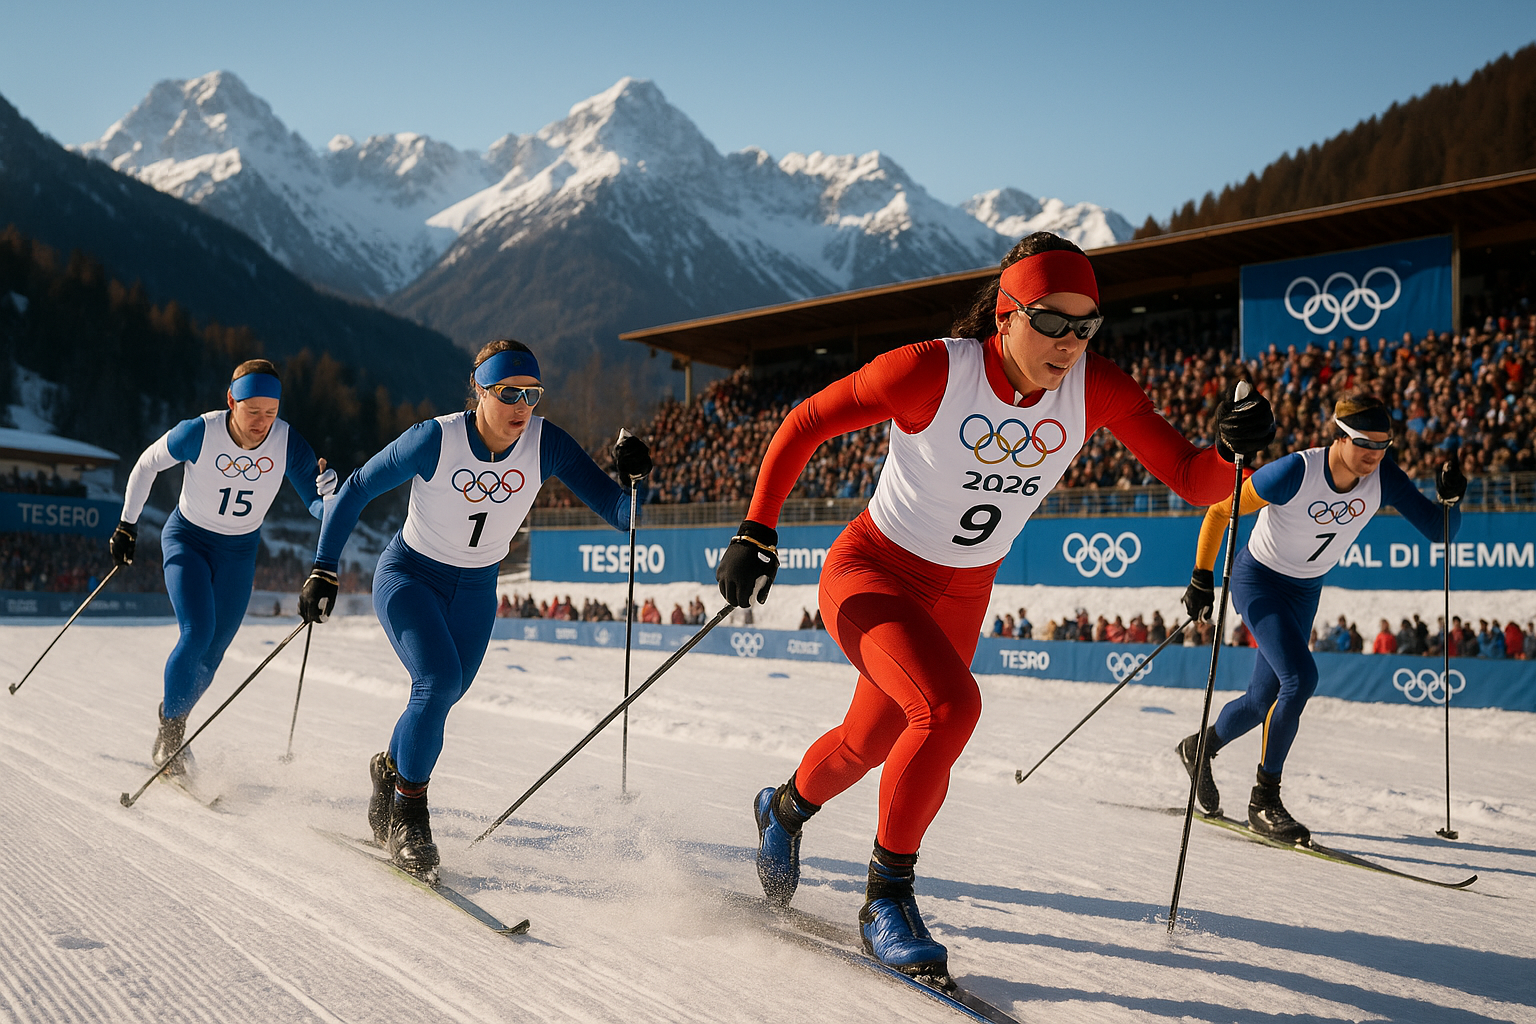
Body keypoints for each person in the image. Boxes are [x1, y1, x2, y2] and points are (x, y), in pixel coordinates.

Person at [716, 232, 1274, 978]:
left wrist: (1236, 449)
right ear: (1004, 315)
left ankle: (780, 810)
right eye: (1050, 320)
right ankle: (887, 897)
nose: (1069, 342)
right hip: (872, 572)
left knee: (868, 740)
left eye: (1085, 325)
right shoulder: (930, 370)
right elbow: (806, 421)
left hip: (963, 592)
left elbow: (1194, 479)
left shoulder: (1095, 386)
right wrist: (757, 530)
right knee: (947, 710)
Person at [297, 339, 650, 880]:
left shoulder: (544, 443)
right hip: (410, 576)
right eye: (509, 393)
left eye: (533, 395)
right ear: (480, 389)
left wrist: (636, 478)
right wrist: (324, 567)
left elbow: (621, 514)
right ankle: (411, 814)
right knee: (435, 684)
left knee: (444, 694)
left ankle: (389, 770)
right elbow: (357, 489)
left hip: (478, 590)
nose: (522, 407)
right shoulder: (434, 440)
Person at [1176, 394, 1464, 844]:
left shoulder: (1382, 476)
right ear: (1339, 436)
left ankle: (1199, 748)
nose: (1374, 454)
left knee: (1261, 698)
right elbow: (1219, 510)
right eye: (1365, 443)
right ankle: (1264, 801)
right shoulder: (1296, 471)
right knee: (1300, 679)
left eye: (1384, 445)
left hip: (1305, 589)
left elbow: (1438, 529)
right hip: (1259, 580)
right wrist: (1201, 577)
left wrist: (1450, 499)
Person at [111, 359, 334, 780]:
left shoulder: (286, 441)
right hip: (188, 540)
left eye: (271, 412)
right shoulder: (200, 431)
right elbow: (146, 464)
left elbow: (319, 505)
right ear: (231, 400)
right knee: (197, 632)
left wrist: (329, 493)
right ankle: (172, 738)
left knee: (213, 655)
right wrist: (127, 524)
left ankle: (170, 717)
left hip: (239, 552)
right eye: (253, 411)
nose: (262, 423)